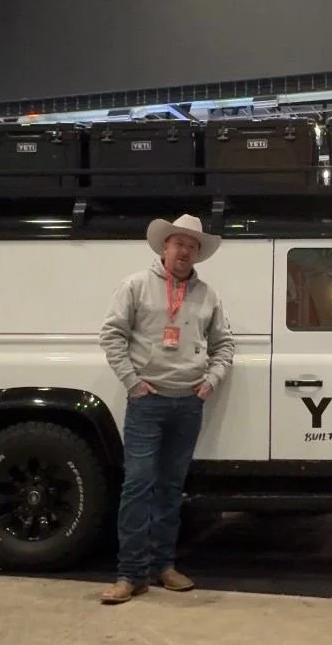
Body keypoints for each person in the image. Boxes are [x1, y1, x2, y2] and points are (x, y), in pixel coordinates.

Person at [98, 214, 235, 605]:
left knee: (171, 489)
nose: (185, 251)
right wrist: (132, 383)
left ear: (197, 253)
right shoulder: (136, 286)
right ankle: (130, 575)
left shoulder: (208, 295)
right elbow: (112, 335)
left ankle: (163, 567)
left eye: (192, 246)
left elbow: (224, 343)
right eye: (178, 244)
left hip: (188, 404)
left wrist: (209, 382)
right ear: (164, 248)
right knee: (138, 485)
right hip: (148, 402)